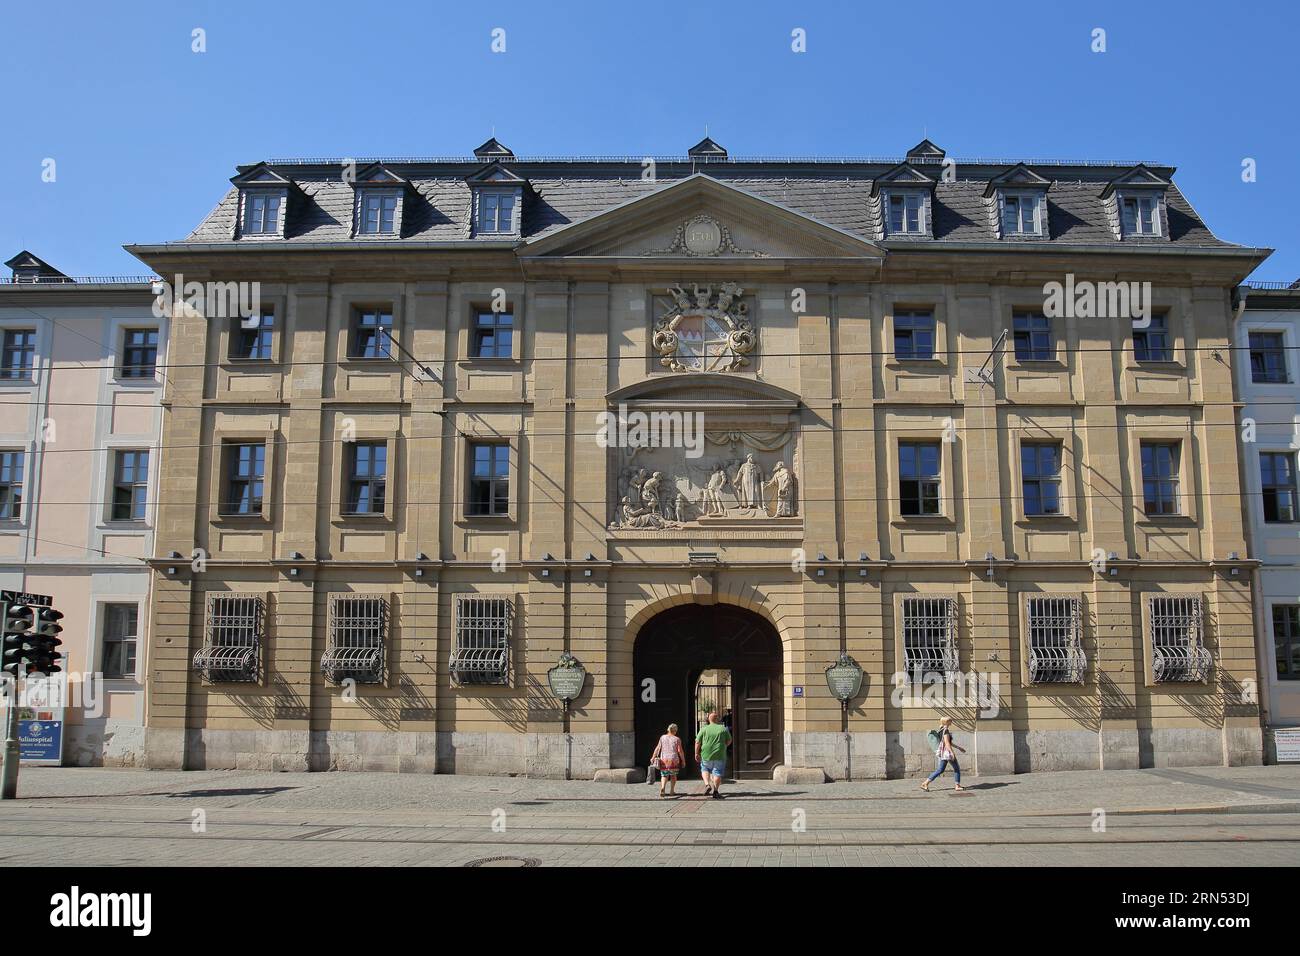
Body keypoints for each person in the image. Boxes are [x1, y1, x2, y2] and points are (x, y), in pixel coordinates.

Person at [921, 716, 966, 792]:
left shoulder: (941, 730)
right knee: (956, 768)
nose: (951, 722)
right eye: (950, 721)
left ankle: (925, 783)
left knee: (940, 770)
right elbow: (947, 743)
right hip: (947, 753)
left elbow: (948, 742)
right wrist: (952, 753)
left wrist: (959, 748)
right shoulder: (946, 730)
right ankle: (957, 785)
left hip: (943, 753)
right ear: (947, 722)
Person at [694, 711, 732, 799]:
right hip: (720, 754)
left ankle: (707, 784)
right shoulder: (723, 728)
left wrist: (696, 753)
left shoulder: (704, 729)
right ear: (717, 719)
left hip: (706, 754)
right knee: (717, 772)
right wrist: (724, 745)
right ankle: (715, 791)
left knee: (705, 769)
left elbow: (697, 742)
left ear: (708, 719)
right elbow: (729, 740)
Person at [651, 723, 685, 798]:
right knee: (673, 775)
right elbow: (680, 751)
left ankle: (663, 788)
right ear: (675, 731)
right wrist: (683, 760)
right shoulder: (677, 739)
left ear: (668, 729)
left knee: (664, 775)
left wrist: (653, 757)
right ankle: (672, 791)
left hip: (664, 759)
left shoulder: (662, 737)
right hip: (673, 760)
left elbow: (658, 748)